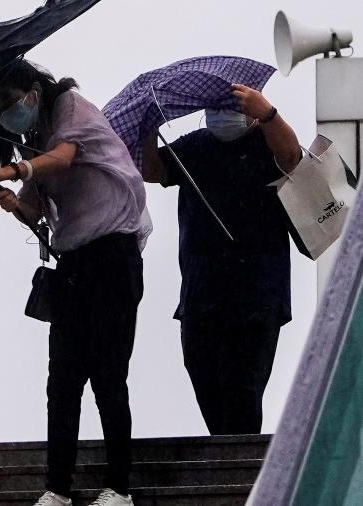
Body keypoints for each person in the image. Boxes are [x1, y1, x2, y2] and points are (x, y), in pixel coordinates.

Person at [0, 60, 147, 506]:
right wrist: (14, 203)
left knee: (108, 373)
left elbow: (66, 156)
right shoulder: (36, 141)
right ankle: (58, 489)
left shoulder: (70, 107)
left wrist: (14, 172)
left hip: (112, 253)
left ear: (33, 90)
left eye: (9, 100)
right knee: (63, 381)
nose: (7, 112)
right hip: (73, 264)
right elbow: (38, 209)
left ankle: (120, 488)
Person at [140, 84, 302, 436]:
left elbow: (292, 157)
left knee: (243, 392)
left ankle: (240, 479)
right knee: (207, 384)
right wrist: (149, 126)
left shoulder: (266, 141)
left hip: (257, 294)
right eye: (212, 105)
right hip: (201, 296)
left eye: (230, 105)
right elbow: (152, 170)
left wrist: (267, 112)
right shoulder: (196, 145)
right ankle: (229, 467)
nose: (219, 113)